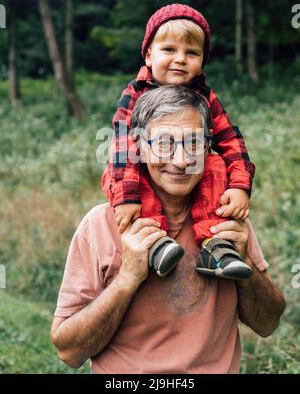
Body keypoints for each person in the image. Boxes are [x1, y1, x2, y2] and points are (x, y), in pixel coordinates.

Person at [51, 86, 285, 374]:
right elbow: (68, 350)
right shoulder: (100, 225)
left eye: (194, 143)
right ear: (138, 147)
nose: (181, 160)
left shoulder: (225, 216)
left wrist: (245, 261)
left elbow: (267, 324)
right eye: (163, 143)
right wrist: (127, 278)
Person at [102, 3, 255, 279]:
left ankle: (214, 244)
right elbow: (122, 146)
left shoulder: (206, 98)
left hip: (198, 188)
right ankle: (156, 243)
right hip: (140, 171)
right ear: (149, 55)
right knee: (135, 165)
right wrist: (126, 196)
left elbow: (232, 140)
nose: (180, 59)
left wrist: (240, 185)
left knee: (215, 162)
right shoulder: (135, 94)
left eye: (192, 53)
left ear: (201, 62)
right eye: (170, 50)